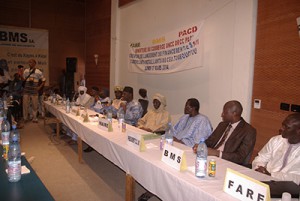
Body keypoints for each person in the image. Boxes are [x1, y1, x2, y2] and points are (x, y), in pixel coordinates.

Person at [194, 100, 256, 165]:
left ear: (234, 113)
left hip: (228, 164)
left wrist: (217, 153)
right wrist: (201, 145)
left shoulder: (249, 131)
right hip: (210, 158)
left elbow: (240, 157)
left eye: (225, 112)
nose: (222, 114)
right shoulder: (222, 125)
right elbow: (210, 141)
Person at [252, 113, 300, 185]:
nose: (281, 128)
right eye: (282, 125)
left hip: (287, 187)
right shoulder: (276, 140)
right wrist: (259, 168)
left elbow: (297, 178)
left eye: (287, 127)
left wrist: (271, 175)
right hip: (263, 179)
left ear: (298, 131)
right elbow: (261, 158)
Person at [22, 59, 46, 123]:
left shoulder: (38, 71)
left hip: (34, 90)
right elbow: (24, 79)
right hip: (26, 90)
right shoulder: (26, 71)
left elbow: (43, 80)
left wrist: (39, 87)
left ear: (35, 64)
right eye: (29, 62)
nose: (29, 63)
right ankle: (25, 118)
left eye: (31, 62)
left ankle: (34, 118)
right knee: (25, 104)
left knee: (35, 105)